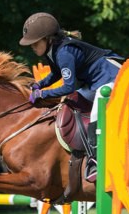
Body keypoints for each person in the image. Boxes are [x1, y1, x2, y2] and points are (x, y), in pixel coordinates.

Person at [19, 12, 123, 183]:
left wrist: (42, 94)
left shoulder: (64, 53)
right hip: (95, 83)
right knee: (72, 104)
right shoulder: (53, 50)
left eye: (35, 43)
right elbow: (55, 74)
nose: (32, 47)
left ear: (47, 38)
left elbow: (69, 86)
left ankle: (96, 160)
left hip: (112, 79)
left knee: (96, 112)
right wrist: (39, 84)